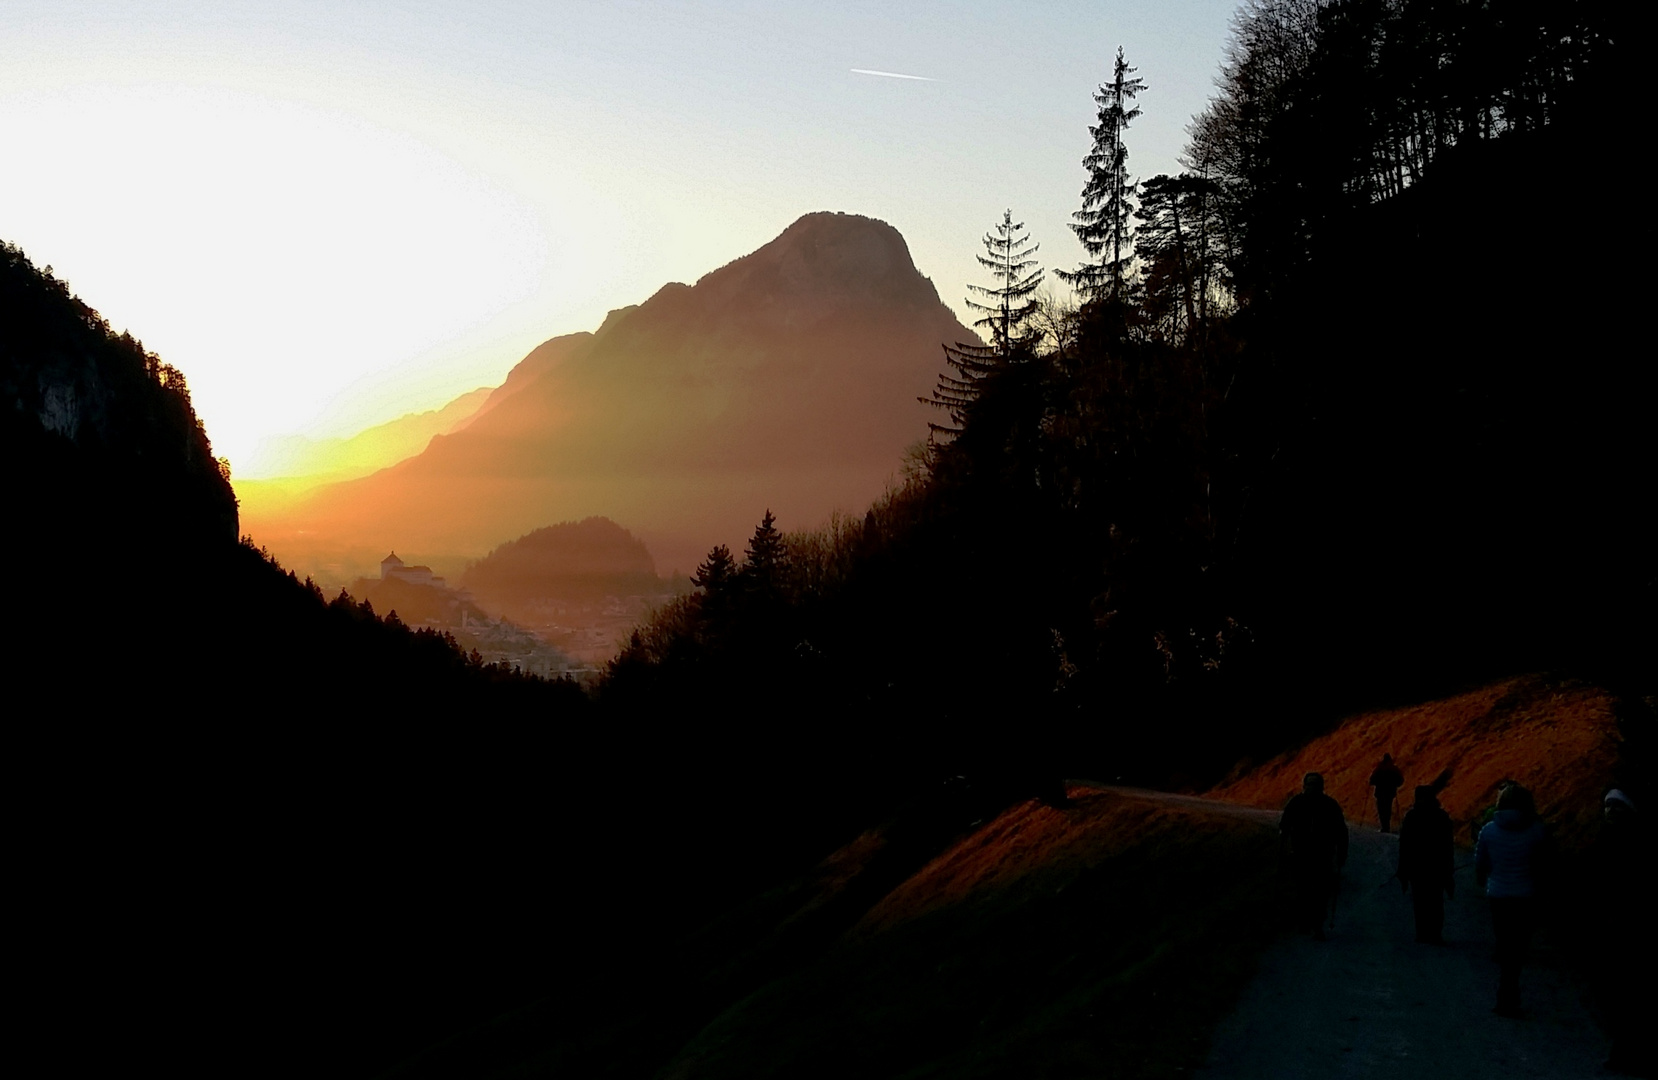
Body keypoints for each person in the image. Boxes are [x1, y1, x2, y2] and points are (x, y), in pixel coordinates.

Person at [1475, 782, 1548, 1017]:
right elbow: (1543, 864)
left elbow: (1480, 862)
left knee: (1505, 945)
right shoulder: (1536, 830)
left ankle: (1506, 995)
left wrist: (1485, 876)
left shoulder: (1488, 830)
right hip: (1526, 895)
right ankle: (1510, 993)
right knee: (1518, 948)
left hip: (1498, 894)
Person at [1280, 772, 1349, 940]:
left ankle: (1313, 924)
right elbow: (1285, 826)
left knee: (1314, 890)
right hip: (1307, 854)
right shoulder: (1325, 804)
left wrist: (1341, 853)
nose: (1312, 789)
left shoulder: (1303, 803)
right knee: (1309, 889)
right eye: (1310, 785)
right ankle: (1309, 922)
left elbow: (1341, 831)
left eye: (1314, 785)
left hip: (1316, 854)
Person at [1397, 785, 1455, 944]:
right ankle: (1435, 933)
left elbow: (1405, 845)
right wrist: (1449, 869)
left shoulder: (1412, 816)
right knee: (1436, 900)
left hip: (1417, 866)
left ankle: (1422, 932)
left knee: (1420, 900)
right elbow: (1448, 845)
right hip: (1437, 866)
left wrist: (1403, 869)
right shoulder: (1442, 817)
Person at [1368, 753, 1405, 833]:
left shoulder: (1379, 768)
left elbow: (1372, 780)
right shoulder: (1394, 769)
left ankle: (1384, 826)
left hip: (1380, 793)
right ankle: (1386, 826)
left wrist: (1374, 782)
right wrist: (1395, 784)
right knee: (1387, 809)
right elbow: (1400, 780)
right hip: (1390, 793)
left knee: (1381, 810)